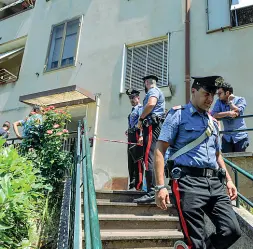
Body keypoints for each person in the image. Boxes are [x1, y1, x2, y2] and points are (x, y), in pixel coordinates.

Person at [154, 76, 241, 249]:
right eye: (206, 94)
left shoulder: (214, 122)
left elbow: (217, 155)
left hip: (215, 183)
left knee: (232, 230)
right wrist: (160, 186)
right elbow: (159, 150)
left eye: (213, 95)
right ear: (193, 91)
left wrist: (229, 180)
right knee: (195, 241)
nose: (210, 99)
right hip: (188, 182)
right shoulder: (178, 114)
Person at [134, 75, 165, 203]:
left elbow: (151, 104)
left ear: (146, 83)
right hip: (154, 126)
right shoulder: (157, 91)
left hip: (152, 126)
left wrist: (141, 119)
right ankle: (155, 188)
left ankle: (152, 191)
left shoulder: (153, 90)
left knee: (149, 157)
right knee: (154, 156)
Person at [211, 82, 249, 153]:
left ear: (227, 92)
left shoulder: (240, 99)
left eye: (220, 93)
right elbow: (214, 115)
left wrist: (230, 102)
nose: (218, 95)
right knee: (226, 161)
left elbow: (237, 112)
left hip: (240, 137)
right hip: (227, 137)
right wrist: (228, 113)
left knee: (239, 160)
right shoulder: (219, 102)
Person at [126, 88, 144, 191]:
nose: (131, 100)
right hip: (131, 135)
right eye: (130, 98)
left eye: (133, 98)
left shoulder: (140, 108)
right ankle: (132, 184)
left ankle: (138, 185)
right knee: (130, 160)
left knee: (137, 160)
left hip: (137, 135)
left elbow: (141, 122)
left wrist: (141, 135)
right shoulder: (133, 110)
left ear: (138, 97)